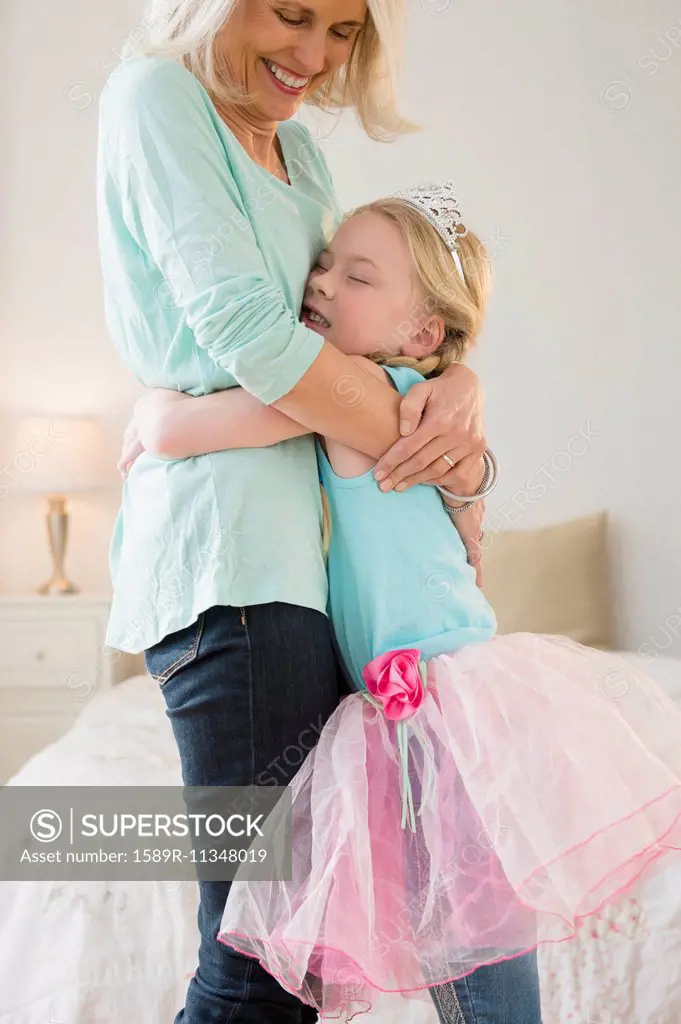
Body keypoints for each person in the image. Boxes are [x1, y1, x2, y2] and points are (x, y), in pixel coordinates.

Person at [126, 182, 681, 1023]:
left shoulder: (355, 397)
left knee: (476, 953)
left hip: (439, 710)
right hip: (429, 707)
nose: (319, 284)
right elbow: (460, 487)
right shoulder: (398, 401)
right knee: (474, 944)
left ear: (421, 332)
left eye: (356, 277)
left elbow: (174, 435)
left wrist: (150, 405)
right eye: (321, 266)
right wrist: (462, 404)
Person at [98, 2, 492, 1022]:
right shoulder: (158, 97)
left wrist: (457, 392)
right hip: (230, 573)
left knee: (295, 965)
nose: (314, 57)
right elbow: (258, 340)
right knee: (257, 968)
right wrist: (427, 415)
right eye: (291, 13)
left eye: (344, 33)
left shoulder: (305, 164)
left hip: (300, 590)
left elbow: (348, 348)